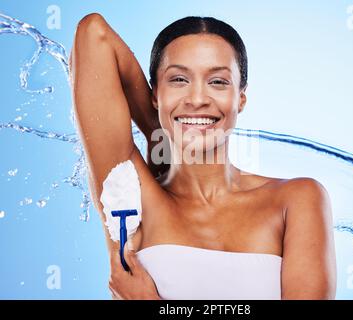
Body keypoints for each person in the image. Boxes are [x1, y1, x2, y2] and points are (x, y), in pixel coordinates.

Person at [69, 13, 336, 300]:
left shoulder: (297, 199)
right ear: (155, 94)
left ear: (240, 98)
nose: (197, 99)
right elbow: (93, 34)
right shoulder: (134, 197)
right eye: (179, 79)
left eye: (218, 82)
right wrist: (157, 129)